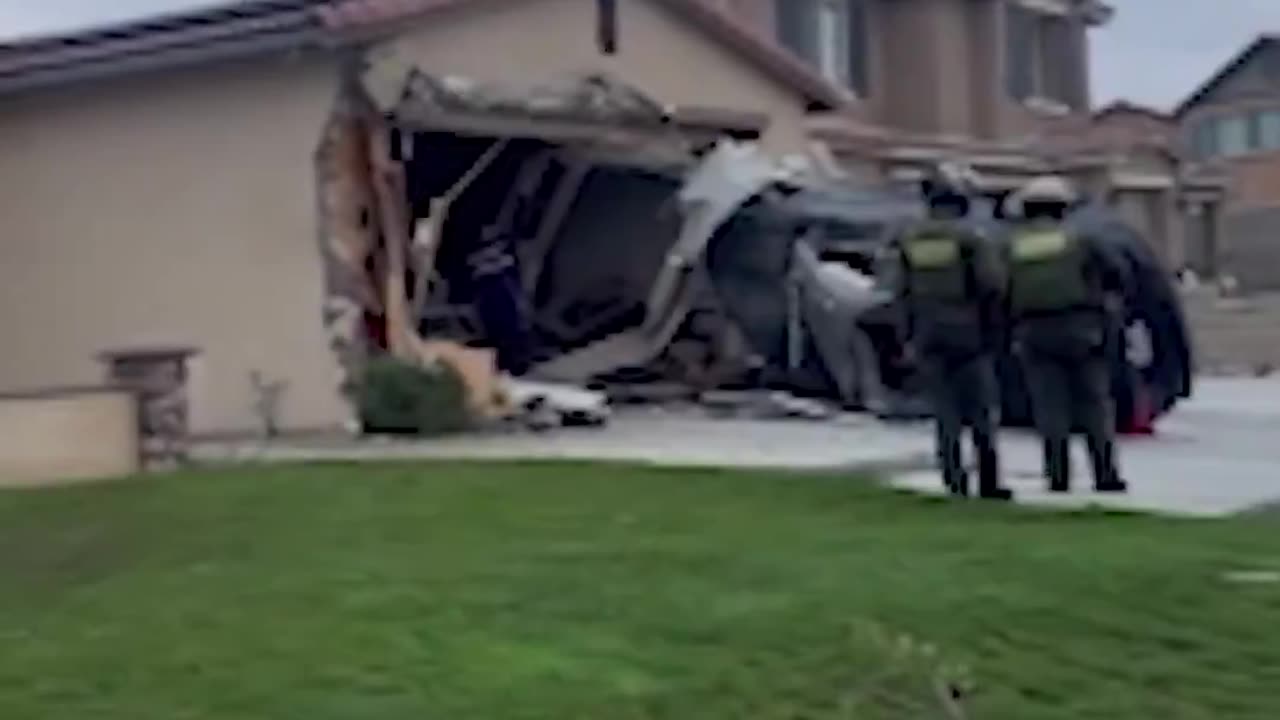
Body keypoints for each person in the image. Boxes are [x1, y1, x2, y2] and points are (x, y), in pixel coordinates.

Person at [891, 163, 1013, 500]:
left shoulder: (910, 241)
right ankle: (989, 482)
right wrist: (995, 330)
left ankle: (953, 480)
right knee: (981, 412)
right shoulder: (970, 238)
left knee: (945, 415)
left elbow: (901, 295)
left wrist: (909, 339)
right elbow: (993, 286)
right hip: (969, 335)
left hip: (928, 336)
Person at [1004, 175, 1130, 494]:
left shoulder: (1011, 246)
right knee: (1094, 405)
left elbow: (999, 290)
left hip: (1032, 332)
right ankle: (1105, 475)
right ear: (1063, 209)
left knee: (1049, 408)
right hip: (1081, 329)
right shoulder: (1081, 241)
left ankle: (1058, 476)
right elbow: (1118, 273)